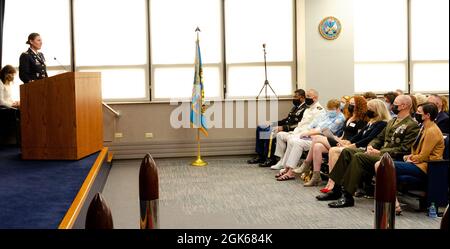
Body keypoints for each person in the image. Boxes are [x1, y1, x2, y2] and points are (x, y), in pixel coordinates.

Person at [317, 95, 420, 208]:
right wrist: (371, 146)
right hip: (379, 153)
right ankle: (336, 190)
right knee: (347, 152)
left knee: (358, 156)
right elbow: (379, 138)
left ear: (404, 106)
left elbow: (403, 149)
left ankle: (347, 196)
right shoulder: (393, 121)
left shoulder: (412, 125)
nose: (392, 106)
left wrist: (379, 152)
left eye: (395, 103)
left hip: (392, 158)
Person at [374, 102, 445, 214]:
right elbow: (418, 151)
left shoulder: (432, 131)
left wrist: (410, 159)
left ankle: (392, 203)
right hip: (417, 164)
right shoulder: (424, 128)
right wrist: (409, 156)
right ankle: (393, 204)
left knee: (381, 165)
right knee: (383, 166)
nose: (416, 114)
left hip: (426, 167)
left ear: (427, 115)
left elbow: (423, 156)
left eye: (419, 112)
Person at [319, 99, 390, 193]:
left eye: (370, 109)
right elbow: (360, 135)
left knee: (336, 150)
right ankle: (332, 182)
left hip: (368, 148)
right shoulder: (371, 121)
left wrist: (352, 145)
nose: (367, 111)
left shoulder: (382, 123)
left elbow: (369, 139)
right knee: (333, 149)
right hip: (360, 146)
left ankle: (335, 184)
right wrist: (348, 142)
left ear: (377, 110)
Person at [298, 96, 368, 186]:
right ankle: (316, 177)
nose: (350, 105)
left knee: (316, 138)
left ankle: (306, 163)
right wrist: (336, 137)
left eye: (353, 104)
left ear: (359, 106)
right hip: (341, 140)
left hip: (347, 145)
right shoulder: (349, 118)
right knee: (317, 146)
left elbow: (358, 138)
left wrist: (343, 142)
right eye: (349, 103)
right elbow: (343, 134)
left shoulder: (361, 121)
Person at [274, 99, 345, 181]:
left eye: (332, 109)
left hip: (322, 138)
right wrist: (308, 132)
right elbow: (313, 124)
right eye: (328, 109)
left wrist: (310, 133)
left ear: (338, 109)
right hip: (312, 135)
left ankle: (290, 172)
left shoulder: (340, 118)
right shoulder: (326, 114)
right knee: (291, 140)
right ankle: (286, 168)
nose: (329, 111)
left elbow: (326, 131)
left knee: (297, 143)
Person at [248, 89, 307, 166]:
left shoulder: (305, 108)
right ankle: (261, 156)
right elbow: (287, 119)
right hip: (285, 126)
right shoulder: (295, 107)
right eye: (293, 96)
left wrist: (284, 128)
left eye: (296, 97)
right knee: (261, 128)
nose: (293, 98)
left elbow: (300, 124)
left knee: (269, 132)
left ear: (302, 98)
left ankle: (270, 158)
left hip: (292, 130)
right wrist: (273, 123)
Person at [270, 89, 325, 170]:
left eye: (308, 96)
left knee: (291, 140)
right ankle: (282, 160)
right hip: (298, 131)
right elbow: (301, 124)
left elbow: (313, 128)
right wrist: (295, 132)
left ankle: (287, 166)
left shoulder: (319, 110)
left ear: (315, 98)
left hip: (307, 135)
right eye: (306, 96)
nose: (306, 98)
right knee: (280, 135)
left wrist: (299, 133)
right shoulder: (308, 109)